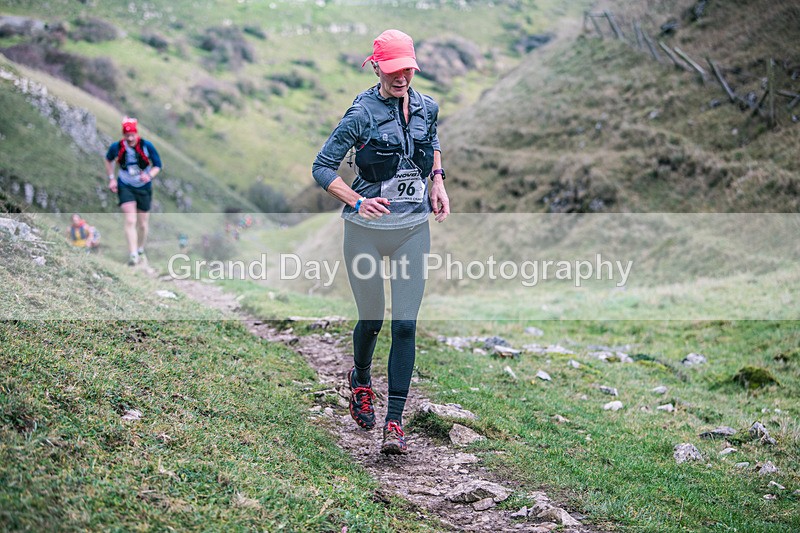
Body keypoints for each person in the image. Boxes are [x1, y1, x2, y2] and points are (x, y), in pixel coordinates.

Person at [312, 29, 450, 454]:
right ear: (376, 67)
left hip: (412, 228)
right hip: (365, 236)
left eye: (407, 69)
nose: (401, 77)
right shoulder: (361, 114)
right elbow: (322, 167)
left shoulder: (427, 106)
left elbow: (433, 143)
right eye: (392, 70)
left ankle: (394, 422)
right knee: (372, 320)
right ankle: (360, 379)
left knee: (405, 324)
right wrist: (356, 201)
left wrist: (438, 181)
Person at [104, 117, 162, 266]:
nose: (130, 138)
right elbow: (108, 159)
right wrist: (111, 178)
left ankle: (140, 248)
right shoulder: (117, 147)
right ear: (123, 135)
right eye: (126, 135)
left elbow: (157, 165)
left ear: (136, 133)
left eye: (132, 135)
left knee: (142, 224)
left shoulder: (146, 146)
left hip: (143, 188)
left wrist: (148, 175)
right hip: (125, 185)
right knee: (130, 220)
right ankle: (133, 255)